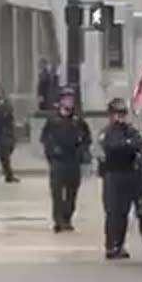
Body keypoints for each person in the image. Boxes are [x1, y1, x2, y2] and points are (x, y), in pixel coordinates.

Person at [40, 86, 91, 232]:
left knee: (71, 192)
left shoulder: (78, 121)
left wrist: (83, 150)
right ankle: (58, 220)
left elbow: (87, 139)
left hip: (73, 161)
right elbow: (45, 139)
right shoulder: (53, 120)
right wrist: (52, 152)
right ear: (61, 101)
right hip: (58, 161)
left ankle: (67, 217)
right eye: (66, 99)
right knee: (57, 193)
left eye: (71, 99)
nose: (69, 102)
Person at [97, 97, 142, 259]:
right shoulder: (106, 132)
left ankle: (120, 245)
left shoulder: (130, 130)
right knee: (112, 211)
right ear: (110, 115)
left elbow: (138, 143)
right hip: (112, 174)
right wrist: (126, 145)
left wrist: (126, 144)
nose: (120, 117)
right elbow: (111, 148)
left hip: (128, 173)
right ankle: (110, 245)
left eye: (122, 114)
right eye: (117, 114)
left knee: (124, 211)